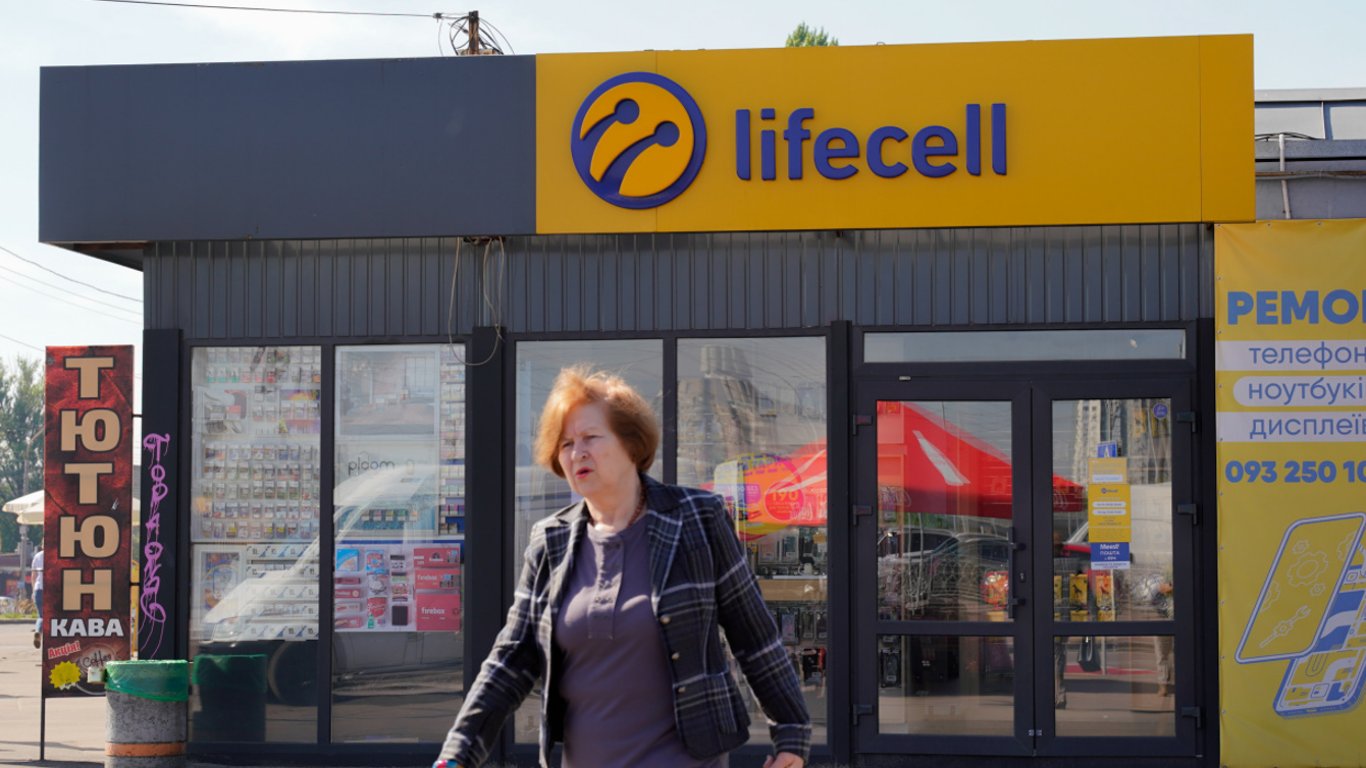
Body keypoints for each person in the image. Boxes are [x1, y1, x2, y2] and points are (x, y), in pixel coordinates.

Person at [435, 366, 810, 768]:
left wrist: (791, 734)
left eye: (591, 437)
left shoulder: (697, 519)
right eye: (565, 444)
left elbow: (754, 637)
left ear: (631, 444)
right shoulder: (550, 541)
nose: (577, 452)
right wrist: (457, 756)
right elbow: (510, 660)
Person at [31, 548, 44, 649]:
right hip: (52, 590)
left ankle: (38, 632)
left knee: (41, 616)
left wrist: (33, 591)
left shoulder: (38, 556)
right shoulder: (56, 553)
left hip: (38, 589)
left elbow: (33, 575)